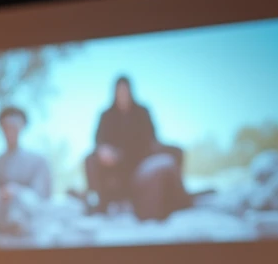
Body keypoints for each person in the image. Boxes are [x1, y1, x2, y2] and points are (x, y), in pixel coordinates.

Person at [82, 76, 195, 220]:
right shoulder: (106, 115)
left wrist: (140, 151)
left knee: (176, 151)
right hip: (115, 166)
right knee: (90, 159)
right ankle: (100, 203)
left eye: (125, 91)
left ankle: (177, 194)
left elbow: (151, 138)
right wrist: (103, 150)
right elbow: (98, 140)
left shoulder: (142, 112)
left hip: (140, 158)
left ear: (130, 91)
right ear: (115, 93)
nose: (123, 95)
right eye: (120, 91)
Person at [0, 106, 53, 235]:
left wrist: (16, 191)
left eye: (14, 127)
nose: (10, 132)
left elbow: (42, 196)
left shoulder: (38, 161)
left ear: (22, 127)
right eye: (6, 127)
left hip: (30, 223)